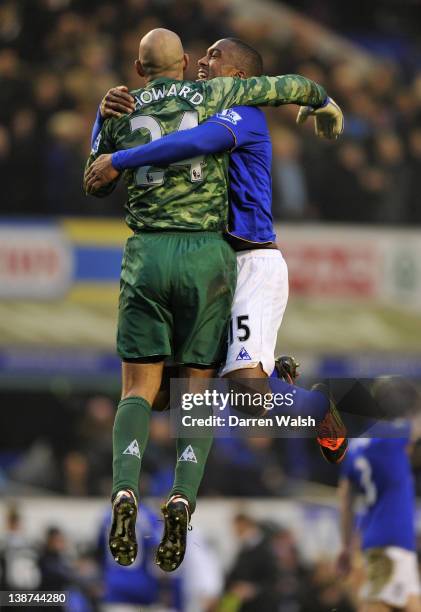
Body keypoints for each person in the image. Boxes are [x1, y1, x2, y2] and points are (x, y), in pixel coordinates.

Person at [84, 27, 341, 573]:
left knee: (241, 397)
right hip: (209, 263)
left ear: (240, 77)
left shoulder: (239, 111)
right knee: (166, 396)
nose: (204, 62)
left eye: (216, 57)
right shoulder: (198, 102)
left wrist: (117, 149)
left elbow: (191, 144)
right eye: (199, 55)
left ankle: (315, 407)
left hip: (249, 262)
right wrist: (108, 108)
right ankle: (270, 383)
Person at [337, 378, 421, 612]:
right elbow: (415, 429)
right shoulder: (394, 438)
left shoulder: (355, 448)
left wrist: (345, 545)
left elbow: (345, 500)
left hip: (383, 539)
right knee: (376, 606)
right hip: (391, 540)